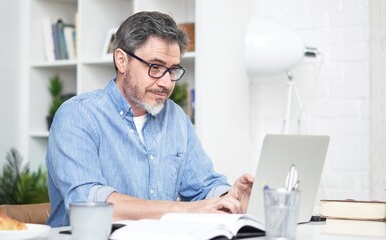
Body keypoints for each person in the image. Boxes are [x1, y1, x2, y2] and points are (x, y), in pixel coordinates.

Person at [45, 11, 253, 227]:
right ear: (122, 61)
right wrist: (186, 210)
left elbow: (203, 187)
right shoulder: (78, 116)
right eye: (155, 67)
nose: (166, 83)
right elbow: (88, 203)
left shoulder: (175, 118)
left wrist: (231, 197)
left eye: (172, 70)